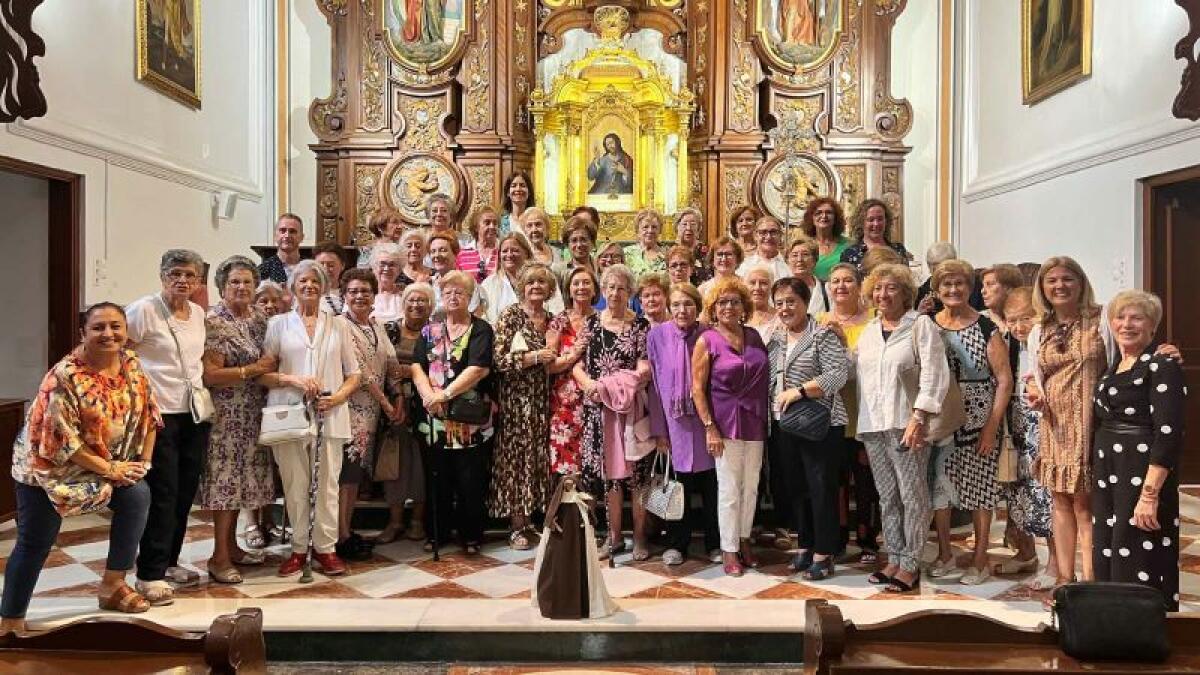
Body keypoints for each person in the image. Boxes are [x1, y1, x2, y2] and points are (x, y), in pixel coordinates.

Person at [1, 303, 158, 630]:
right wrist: (111, 470)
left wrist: (143, 460)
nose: (108, 334)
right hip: (47, 470)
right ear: (83, 334)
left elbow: (149, 415)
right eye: (98, 327)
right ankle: (11, 620)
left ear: (126, 331)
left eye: (115, 326)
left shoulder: (132, 364)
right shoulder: (65, 375)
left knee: (137, 496)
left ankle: (113, 585)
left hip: (101, 463)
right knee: (36, 540)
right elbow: (60, 439)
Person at [259, 260, 362, 577]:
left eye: (315, 281)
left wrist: (338, 397)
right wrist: (295, 381)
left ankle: (325, 549)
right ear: (292, 288)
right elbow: (263, 374)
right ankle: (299, 548)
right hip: (289, 412)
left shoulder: (339, 325)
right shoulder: (278, 324)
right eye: (303, 281)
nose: (309, 286)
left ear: (323, 287)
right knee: (295, 483)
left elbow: (354, 374)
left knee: (328, 484)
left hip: (329, 414)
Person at [854, 263, 950, 594]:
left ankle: (911, 564)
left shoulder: (920, 325)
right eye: (878, 289)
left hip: (906, 423)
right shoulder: (868, 331)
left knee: (913, 495)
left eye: (891, 288)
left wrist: (919, 417)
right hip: (873, 425)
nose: (883, 294)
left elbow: (935, 373)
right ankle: (894, 555)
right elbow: (860, 377)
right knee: (888, 496)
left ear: (906, 292)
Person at [1091, 290, 1185, 611]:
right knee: (1111, 547)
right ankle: (1111, 625)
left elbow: (1169, 434)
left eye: (1137, 318)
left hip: (1141, 475)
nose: (1127, 324)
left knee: (1140, 550)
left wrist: (1149, 494)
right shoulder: (1116, 364)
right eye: (1120, 317)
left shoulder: (1162, 364)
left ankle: (1141, 629)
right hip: (1110, 476)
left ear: (1152, 326)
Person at [127, 249, 210, 606]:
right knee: (162, 492)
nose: (183, 281)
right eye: (175, 274)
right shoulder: (144, 310)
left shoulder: (198, 313)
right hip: (157, 416)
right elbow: (122, 352)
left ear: (198, 281)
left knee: (184, 492)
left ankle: (170, 561)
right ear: (162, 276)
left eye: (190, 275)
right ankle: (149, 574)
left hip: (193, 413)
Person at [1024, 256, 1110, 587]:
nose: (1060, 286)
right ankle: (1063, 577)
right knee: (1059, 500)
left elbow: (1124, 355)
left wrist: (1163, 352)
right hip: (1055, 424)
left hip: (1091, 424)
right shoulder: (1038, 329)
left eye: (1067, 279)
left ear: (1081, 283)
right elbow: (1033, 374)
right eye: (1052, 281)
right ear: (1043, 289)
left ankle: (1090, 581)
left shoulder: (1101, 320)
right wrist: (1032, 388)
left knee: (1085, 504)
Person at [927, 259, 1012, 585]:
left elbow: (1004, 380)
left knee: (981, 489)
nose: (953, 290)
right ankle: (945, 553)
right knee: (940, 488)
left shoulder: (986, 327)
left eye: (960, 283)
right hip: (941, 418)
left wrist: (992, 426)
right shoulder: (929, 325)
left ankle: (980, 558)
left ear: (970, 287)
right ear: (936, 290)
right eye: (946, 284)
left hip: (979, 418)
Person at [198, 257, 277, 584]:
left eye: (247, 282)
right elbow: (211, 375)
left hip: (255, 413)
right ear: (221, 286)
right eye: (235, 282)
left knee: (245, 483)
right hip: (227, 416)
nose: (242, 288)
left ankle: (232, 547)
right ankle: (218, 557)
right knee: (226, 485)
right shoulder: (214, 321)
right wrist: (253, 370)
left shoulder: (260, 319)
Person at [768, 276, 849, 580]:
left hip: (821, 424)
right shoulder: (776, 337)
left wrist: (800, 391)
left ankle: (824, 553)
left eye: (791, 301)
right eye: (779, 303)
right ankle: (805, 545)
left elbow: (838, 374)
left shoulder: (821, 334)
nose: (785, 308)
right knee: (797, 488)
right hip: (784, 423)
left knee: (821, 489)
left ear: (805, 303)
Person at [411, 271, 496, 555]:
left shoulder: (481, 328)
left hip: (467, 418)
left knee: (470, 478)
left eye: (460, 291)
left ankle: (471, 535)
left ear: (470, 297)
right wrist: (427, 395)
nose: (453, 296)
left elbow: (479, 368)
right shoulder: (430, 328)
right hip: (432, 418)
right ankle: (437, 533)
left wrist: (444, 394)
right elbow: (416, 366)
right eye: (447, 291)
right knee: (437, 477)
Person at [691, 277, 770, 577]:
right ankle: (728, 548)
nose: (728, 307)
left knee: (751, 488)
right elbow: (697, 389)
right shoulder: (707, 340)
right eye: (722, 302)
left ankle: (744, 539)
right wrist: (709, 426)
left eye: (734, 302)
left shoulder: (754, 336)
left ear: (743, 307)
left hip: (755, 421)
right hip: (723, 424)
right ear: (714, 308)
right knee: (728, 490)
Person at [573, 264, 653, 560]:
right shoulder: (592, 323)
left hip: (632, 409)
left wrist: (620, 383)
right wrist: (589, 385)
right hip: (599, 409)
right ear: (602, 291)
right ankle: (615, 537)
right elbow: (575, 361)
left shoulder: (641, 326)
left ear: (630, 292)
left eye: (621, 288)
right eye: (610, 287)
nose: (615, 293)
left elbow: (645, 368)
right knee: (610, 477)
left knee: (638, 477)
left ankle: (641, 538)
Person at [647, 283, 721, 566]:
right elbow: (654, 384)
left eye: (688, 304)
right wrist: (659, 430)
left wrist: (714, 424)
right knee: (677, 488)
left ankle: (715, 544)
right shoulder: (657, 335)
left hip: (705, 421)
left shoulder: (709, 335)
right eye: (676, 304)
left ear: (698, 307)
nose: (682, 310)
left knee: (711, 487)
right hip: (673, 423)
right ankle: (677, 543)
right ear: (668, 306)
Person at [338, 268, 404, 561]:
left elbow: (391, 363)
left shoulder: (376, 326)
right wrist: (388, 405)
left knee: (354, 477)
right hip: (349, 412)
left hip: (372, 415)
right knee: (346, 477)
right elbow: (361, 371)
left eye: (365, 291)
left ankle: (346, 531)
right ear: (344, 295)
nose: (359, 296)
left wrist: (398, 395)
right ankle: (340, 536)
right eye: (353, 291)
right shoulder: (341, 326)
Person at [490, 264, 559, 549]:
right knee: (515, 462)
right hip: (516, 402)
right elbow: (499, 361)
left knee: (539, 460)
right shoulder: (510, 316)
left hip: (545, 400)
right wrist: (533, 358)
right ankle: (516, 526)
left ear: (550, 288)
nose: (536, 287)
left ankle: (535, 521)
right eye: (530, 282)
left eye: (541, 282)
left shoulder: (554, 320)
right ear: (522, 287)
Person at [817, 262, 879, 563]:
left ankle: (868, 539)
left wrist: (843, 343)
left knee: (866, 480)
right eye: (836, 281)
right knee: (836, 479)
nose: (841, 286)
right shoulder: (819, 320)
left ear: (858, 286)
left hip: (864, 411)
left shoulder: (873, 321)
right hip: (831, 414)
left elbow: (866, 368)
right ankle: (839, 537)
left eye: (847, 281)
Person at [996, 287, 1056, 587]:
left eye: (1026, 318)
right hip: (1014, 430)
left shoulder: (1047, 341)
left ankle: (1057, 563)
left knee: (1049, 496)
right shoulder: (1006, 343)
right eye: (1012, 320)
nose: (1019, 326)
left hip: (1045, 429)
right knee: (1018, 494)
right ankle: (1025, 552)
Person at [376, 282, 434, 544]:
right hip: (394, 405)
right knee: (395, 464)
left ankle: (417, 522)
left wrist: (409, 371)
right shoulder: (389, 330)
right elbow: (383, 365)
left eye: (422, 300)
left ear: (430, 306)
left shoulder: (436, 331)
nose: (416, 305)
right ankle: (395, 521)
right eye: (411, 300)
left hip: (427, 404)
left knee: (422, 465)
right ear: (403, 303)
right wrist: (398, 390)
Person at [547, 267, 598, 479]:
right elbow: (549, 365)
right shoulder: (559, 320)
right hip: (564, 405)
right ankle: (568, 513)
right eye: (576, 283)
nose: (581, 287)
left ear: (595, 289)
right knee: (565, 468)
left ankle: (591, 513)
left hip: (595, 400)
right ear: (568, 289)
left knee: (593, 467)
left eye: (586, 282)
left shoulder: (603, 320)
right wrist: (574, 353)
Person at [482, 232, 563, 324]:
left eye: (515, 250)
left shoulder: (545, 278)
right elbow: (483, 317)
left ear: (526, 253)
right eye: (505, 251)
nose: (509, 255)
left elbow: (557, 310)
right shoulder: (489, 284)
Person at [839, 199, 909, 272]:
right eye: (871, 220)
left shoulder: (898, 250)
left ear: (886, 221)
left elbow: (906, 279)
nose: (876, 224)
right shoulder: (850, 254)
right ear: (861, 222)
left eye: (880, 219)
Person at [915, 243, 984, 314]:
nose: (942, 274)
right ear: (929, 267)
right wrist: (921, 313)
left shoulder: (974, 285)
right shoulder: (921, 293)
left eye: (948, 268)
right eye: (936, 269)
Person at [429, 232, 486, 315]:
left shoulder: (467, 283)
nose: (437, 255)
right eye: (433, 251)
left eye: (443, 250)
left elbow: (474, 315)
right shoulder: (429, 284)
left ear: (455, 254)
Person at [800, 197, 850, 281]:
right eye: (818, 213)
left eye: (829, 212)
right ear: (811, 218)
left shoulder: (849, 245)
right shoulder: (805, 246)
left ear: (835, 218)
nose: (824, 216)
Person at [737, 216, 790, 281]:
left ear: (780, 235)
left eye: (773, 232)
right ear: (755, 236)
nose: (768, 237)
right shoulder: (745, 266)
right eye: (763, 232)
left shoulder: (789, 265)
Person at [786, 238, 830, 316]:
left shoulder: (827, 289)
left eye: (805, 254)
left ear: (815, 260)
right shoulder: (780, 289)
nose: (799, 260)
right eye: (795, 255)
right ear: (787, 260)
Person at [978, 263, 1025, 333]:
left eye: (990, 284)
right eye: (983, 285)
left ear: (1009, 288)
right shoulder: (977, 321)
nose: (982, 291)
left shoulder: (1030, 318)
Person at [458, 206, 500, 283]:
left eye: (495, 223)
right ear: (476, 227)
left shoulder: (504, 251)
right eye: (487, 223)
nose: (492, 226)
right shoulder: (463, 254)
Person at [623, 208, 668, 279]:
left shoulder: (668, 254)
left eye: (654, 227)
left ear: (660, 230)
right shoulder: (626, 253)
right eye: (645, 227)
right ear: (638, 230)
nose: (650, 231)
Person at [259, 214, 305, 284]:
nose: (287, 235)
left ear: (302, 237)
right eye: (282, 231)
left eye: (292, 231)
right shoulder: (262, 271)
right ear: (275, 236)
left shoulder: (310, 268)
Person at [674, 207, 712, 285]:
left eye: (693, 224)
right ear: (677, 227)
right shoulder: (671, 252)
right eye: (684, 224)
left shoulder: (707, 252)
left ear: (699, 228)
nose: (688, 228)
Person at [370, 243, 406, 323]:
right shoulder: (363, 293)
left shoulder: (405, 295)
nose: (386, 268)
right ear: (374, 267)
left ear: (399, 270)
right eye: (382, 264)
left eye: (392, 265)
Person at [744, 264, 780, 343]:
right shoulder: (737, 318)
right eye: (752, 283)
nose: (757, 288)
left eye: (763, 283)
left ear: (771, 287)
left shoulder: (780, 319)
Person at [313, 242, 347, 315]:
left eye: (331, 265)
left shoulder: (350, 291)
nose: (325, 269)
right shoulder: (309, 293)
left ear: (342, 266)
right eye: (321, 264)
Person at [500, 170, 534, 235]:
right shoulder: (500, 221)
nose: (518, 189)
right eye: (513, 185)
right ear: (508, 192)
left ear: (529, 192)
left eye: (522, 185)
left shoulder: (535, 219)